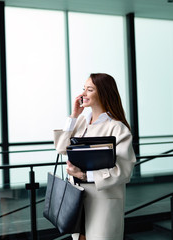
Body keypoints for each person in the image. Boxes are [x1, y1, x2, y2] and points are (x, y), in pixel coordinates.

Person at [53, 73, 136, 240]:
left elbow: (124, 171)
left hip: (102, 203)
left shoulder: (117, 128)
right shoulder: (82, 122)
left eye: (89, 90)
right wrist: (74, 116)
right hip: (78, 201)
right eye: (83, 89)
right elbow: (61, 148)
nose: (83, 94)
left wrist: (84, 175)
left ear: (103, 93)